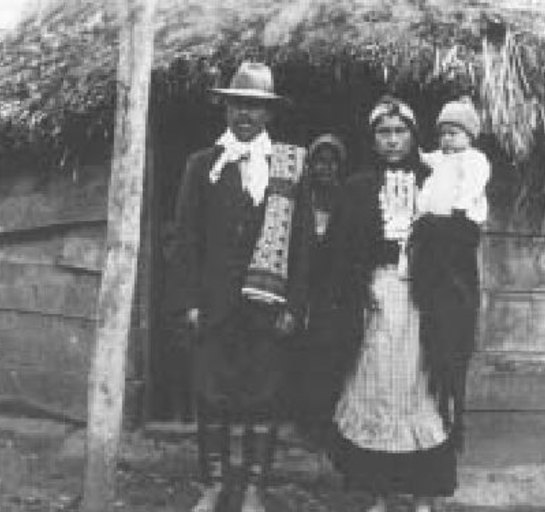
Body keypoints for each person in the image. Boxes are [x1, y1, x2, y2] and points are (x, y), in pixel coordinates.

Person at [165, 61, 312, 512]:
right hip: (214, 303)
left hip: (268, 305)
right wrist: (187, 300)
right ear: (225, 109)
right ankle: (212, 485)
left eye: (254, 106)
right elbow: (185, 237)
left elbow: (302, 242)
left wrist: (295, 303)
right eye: (236, 105)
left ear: (269, 114)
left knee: (262, 394)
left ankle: (253, 488)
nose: (244, 115)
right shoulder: (202, 165)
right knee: (211, 394)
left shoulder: (289, 166)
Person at [325, 95, 483, 512]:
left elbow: (465, 241)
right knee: (376, 389)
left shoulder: (439, 178)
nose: (392, 140)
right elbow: (339, 254)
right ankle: (378, 492)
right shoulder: (357, 187)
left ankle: (423, 496)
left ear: (414, 136)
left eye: (400, 132)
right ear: (373, 138)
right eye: (383, 132)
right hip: (374, 305)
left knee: (424, 393)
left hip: (424, 306)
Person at [291, 134, 348, 442]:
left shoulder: (344, 200)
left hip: (330, 291)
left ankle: (324, 422)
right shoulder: (299, 199)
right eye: (318, 162)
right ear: (309, 166)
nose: (324, 169)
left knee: (326, 356)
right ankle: (302, 420)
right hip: (301, 286)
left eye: (331, 162)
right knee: (300, 354)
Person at [418, 97, 490, 223]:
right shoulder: (441, 156)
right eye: (442, 134)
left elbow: (474, 184)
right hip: (439, 212)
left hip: (464, 215)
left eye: (452, 134)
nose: (446, 138)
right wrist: (419, 155)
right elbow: (427, 159)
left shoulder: (474, 158)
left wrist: (461, 206)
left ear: (469, 137)